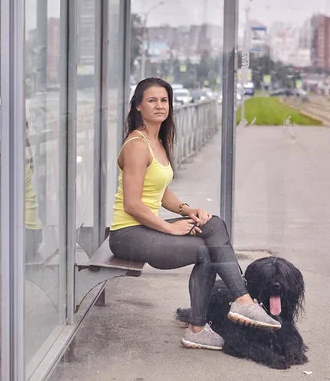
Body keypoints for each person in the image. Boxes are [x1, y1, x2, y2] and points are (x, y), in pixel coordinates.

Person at [109, 77, 281, 351]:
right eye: (151, 100)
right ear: (138, 107)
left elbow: (159, 192)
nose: (159, 106)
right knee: (205, 251)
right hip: (127, 234)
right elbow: (132, 204)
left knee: (214, 225)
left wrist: (188, 210)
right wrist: (169, 228)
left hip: (145, 228)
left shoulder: (157, 141)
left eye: (164, 100)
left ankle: (240, 302)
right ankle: (205, 323)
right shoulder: (137, 144)